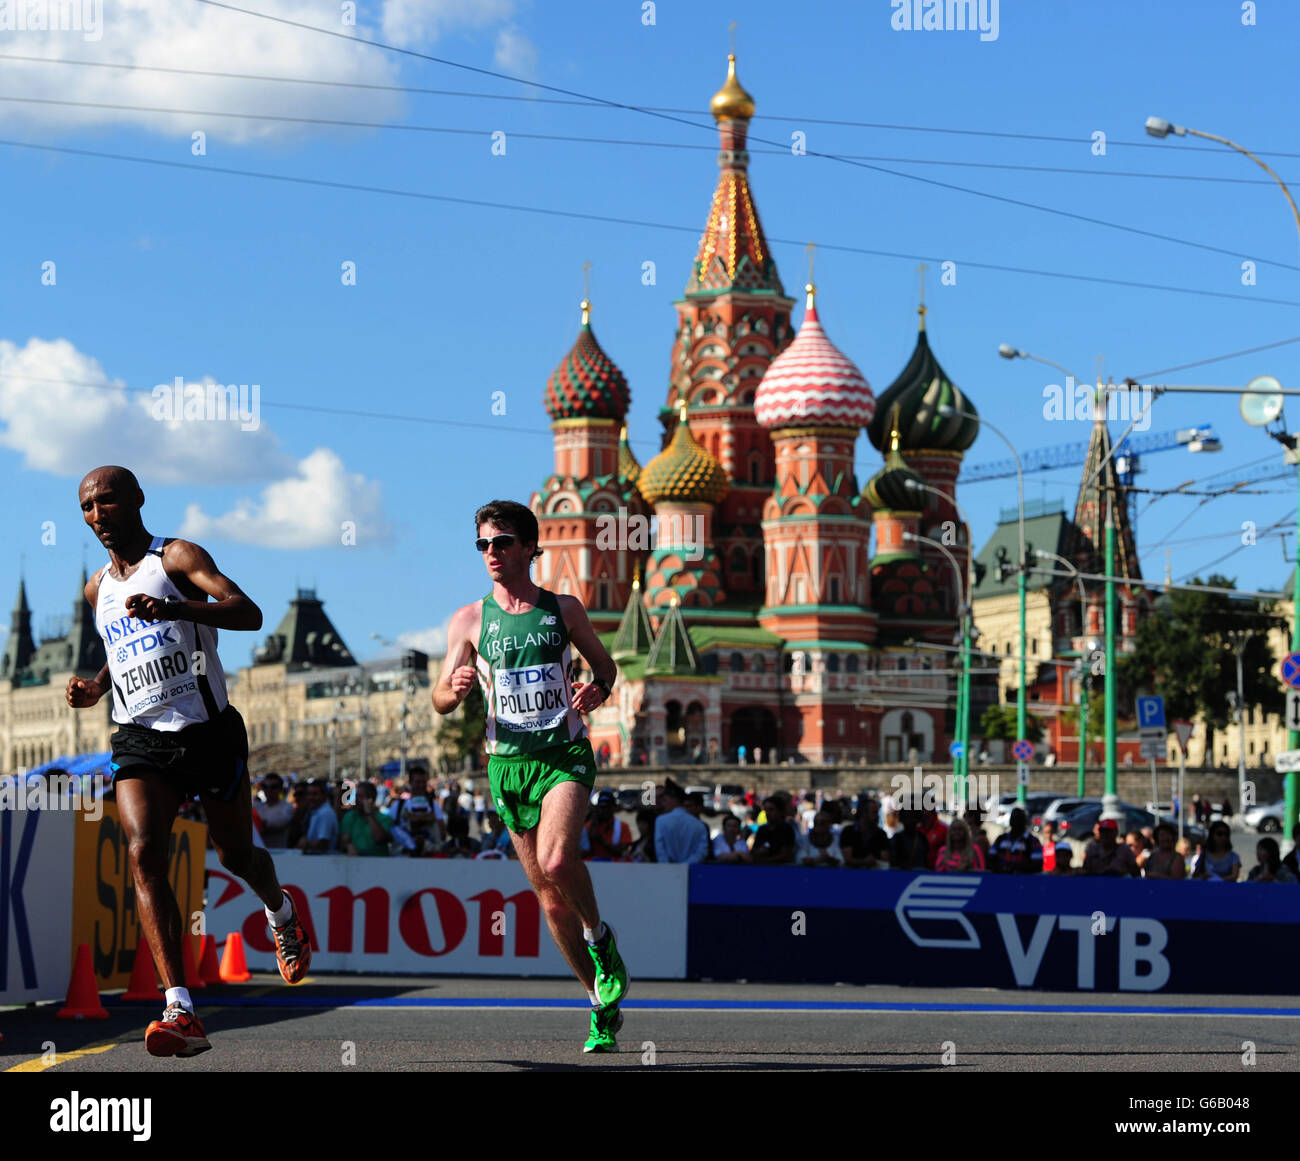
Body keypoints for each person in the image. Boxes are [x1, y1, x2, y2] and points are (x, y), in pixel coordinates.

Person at [66, 465, 310, 1059]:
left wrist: (178, 610)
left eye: (108, 501)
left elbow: (246, 612)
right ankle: (180, 1007)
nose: (99, 516)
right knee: (144, 848)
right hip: (139, 737)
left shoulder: (176, 558)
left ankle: (280, 911)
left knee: (235, 853)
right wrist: (98, 687)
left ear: (137, 499)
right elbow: (122, 648)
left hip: (207, 732)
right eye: (88, 508)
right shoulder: (97, 590)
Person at [432, 499, 627, 1053]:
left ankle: (601, 940)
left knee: (559, 860)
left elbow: (605, 665)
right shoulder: (469, 619)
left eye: (501, 542)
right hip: (506, 764)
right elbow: (440, 698)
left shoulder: (563, 609)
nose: (491, 553)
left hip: (562, 755)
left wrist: (599, 688)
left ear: (529, 548)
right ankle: (599, 1004)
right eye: (483, 545)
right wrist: (456, 687)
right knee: (548, 899)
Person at [387, 766, 446, 855]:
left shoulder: (433, 806)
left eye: (424, 782)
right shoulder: (399, 806)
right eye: (418, 782)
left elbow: (442, 834)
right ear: (410, 783)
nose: (421, 786)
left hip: (429, 859)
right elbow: (389, 830)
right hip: (403, 858)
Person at [653, 782, 709, 864]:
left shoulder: (661, 820)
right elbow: (701, 852)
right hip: (691, 870)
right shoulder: (699, 824)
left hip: (668, 870)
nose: (663, 804)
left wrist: (667, 866)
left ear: (674, 800)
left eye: (665, 800)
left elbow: (660, 850)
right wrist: (685, 865)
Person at [341, 780, 393, 856]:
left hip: (378, 863)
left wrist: (369, 814)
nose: (356, 800)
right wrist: (347, 845)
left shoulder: (385, 818)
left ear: (371, 799)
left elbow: (379, 838)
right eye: (356, 796)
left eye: (360, 797)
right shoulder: (350, 816)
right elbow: (343, 841)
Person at [581, 789, 634, 860]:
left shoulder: (623, 827)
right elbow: (582, 851)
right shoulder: (588, 826)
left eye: (607, 807)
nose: (604, 811)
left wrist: (601, 841)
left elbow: (623, 852)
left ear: (614, 808)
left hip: (614, 868)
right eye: (602, 807)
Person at [839, 797, 890, 869]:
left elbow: (885, 857)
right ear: (864, 813)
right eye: (874, 812)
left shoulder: (881, 834)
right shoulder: (848, 832)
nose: (877, 816)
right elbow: (847, 859)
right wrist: (865, 861)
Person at [988, 809, 1042, 874]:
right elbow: (990, 859)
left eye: (1019, 819)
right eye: (1013, 819)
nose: (1016, 822)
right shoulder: (1001, 839)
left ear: (1024, 821)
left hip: (1023, 881)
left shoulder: (1033, 841)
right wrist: (1001, 868)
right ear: (1010, 821)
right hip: (1001, 879)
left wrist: (1017, 867)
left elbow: (1038, 864)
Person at [751, 795, 798, 865]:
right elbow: (754, 851)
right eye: (765, 810)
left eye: (771, 810)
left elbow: (786, 854)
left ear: (780, 811)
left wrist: (765, 860)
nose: (767, 813)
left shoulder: (787, 829)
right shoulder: (762, 829)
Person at [253, 773, 294, 849]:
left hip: (279, 852)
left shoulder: (287, 807)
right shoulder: (257, 806)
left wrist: (258, 823)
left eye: (273, 787)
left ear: (281, 789)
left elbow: (280, 823)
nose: (269, 790)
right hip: (258, 851)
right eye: (265, 787)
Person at [297, 779, 339, 853]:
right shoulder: (315, 811)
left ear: (324, 795)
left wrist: (305, 844)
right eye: (309, 794)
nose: (311, 797)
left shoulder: (325, 813)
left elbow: (323, 843)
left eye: (315, 794)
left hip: (323, 861)